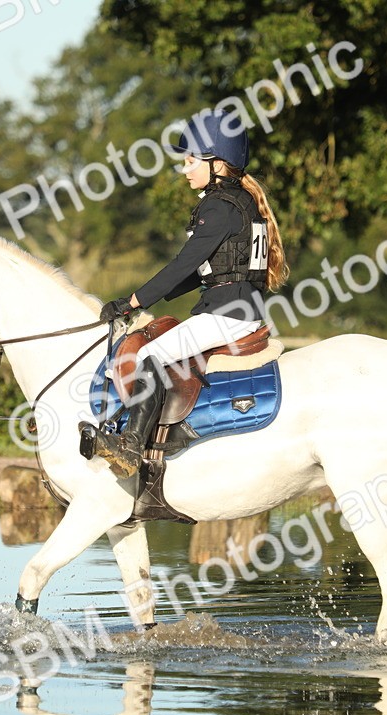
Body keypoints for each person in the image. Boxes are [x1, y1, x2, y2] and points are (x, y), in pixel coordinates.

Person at [86, 109, 289, 479]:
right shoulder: (242, 202)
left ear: (218, 163)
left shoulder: (219, 206)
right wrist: (146, 301)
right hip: (241, 310)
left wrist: (131, 302)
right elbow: (202, 272)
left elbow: (182, 265)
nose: (184, 169)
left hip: (226, 316)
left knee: (149, 354)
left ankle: (130, 446)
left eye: (191, 160)